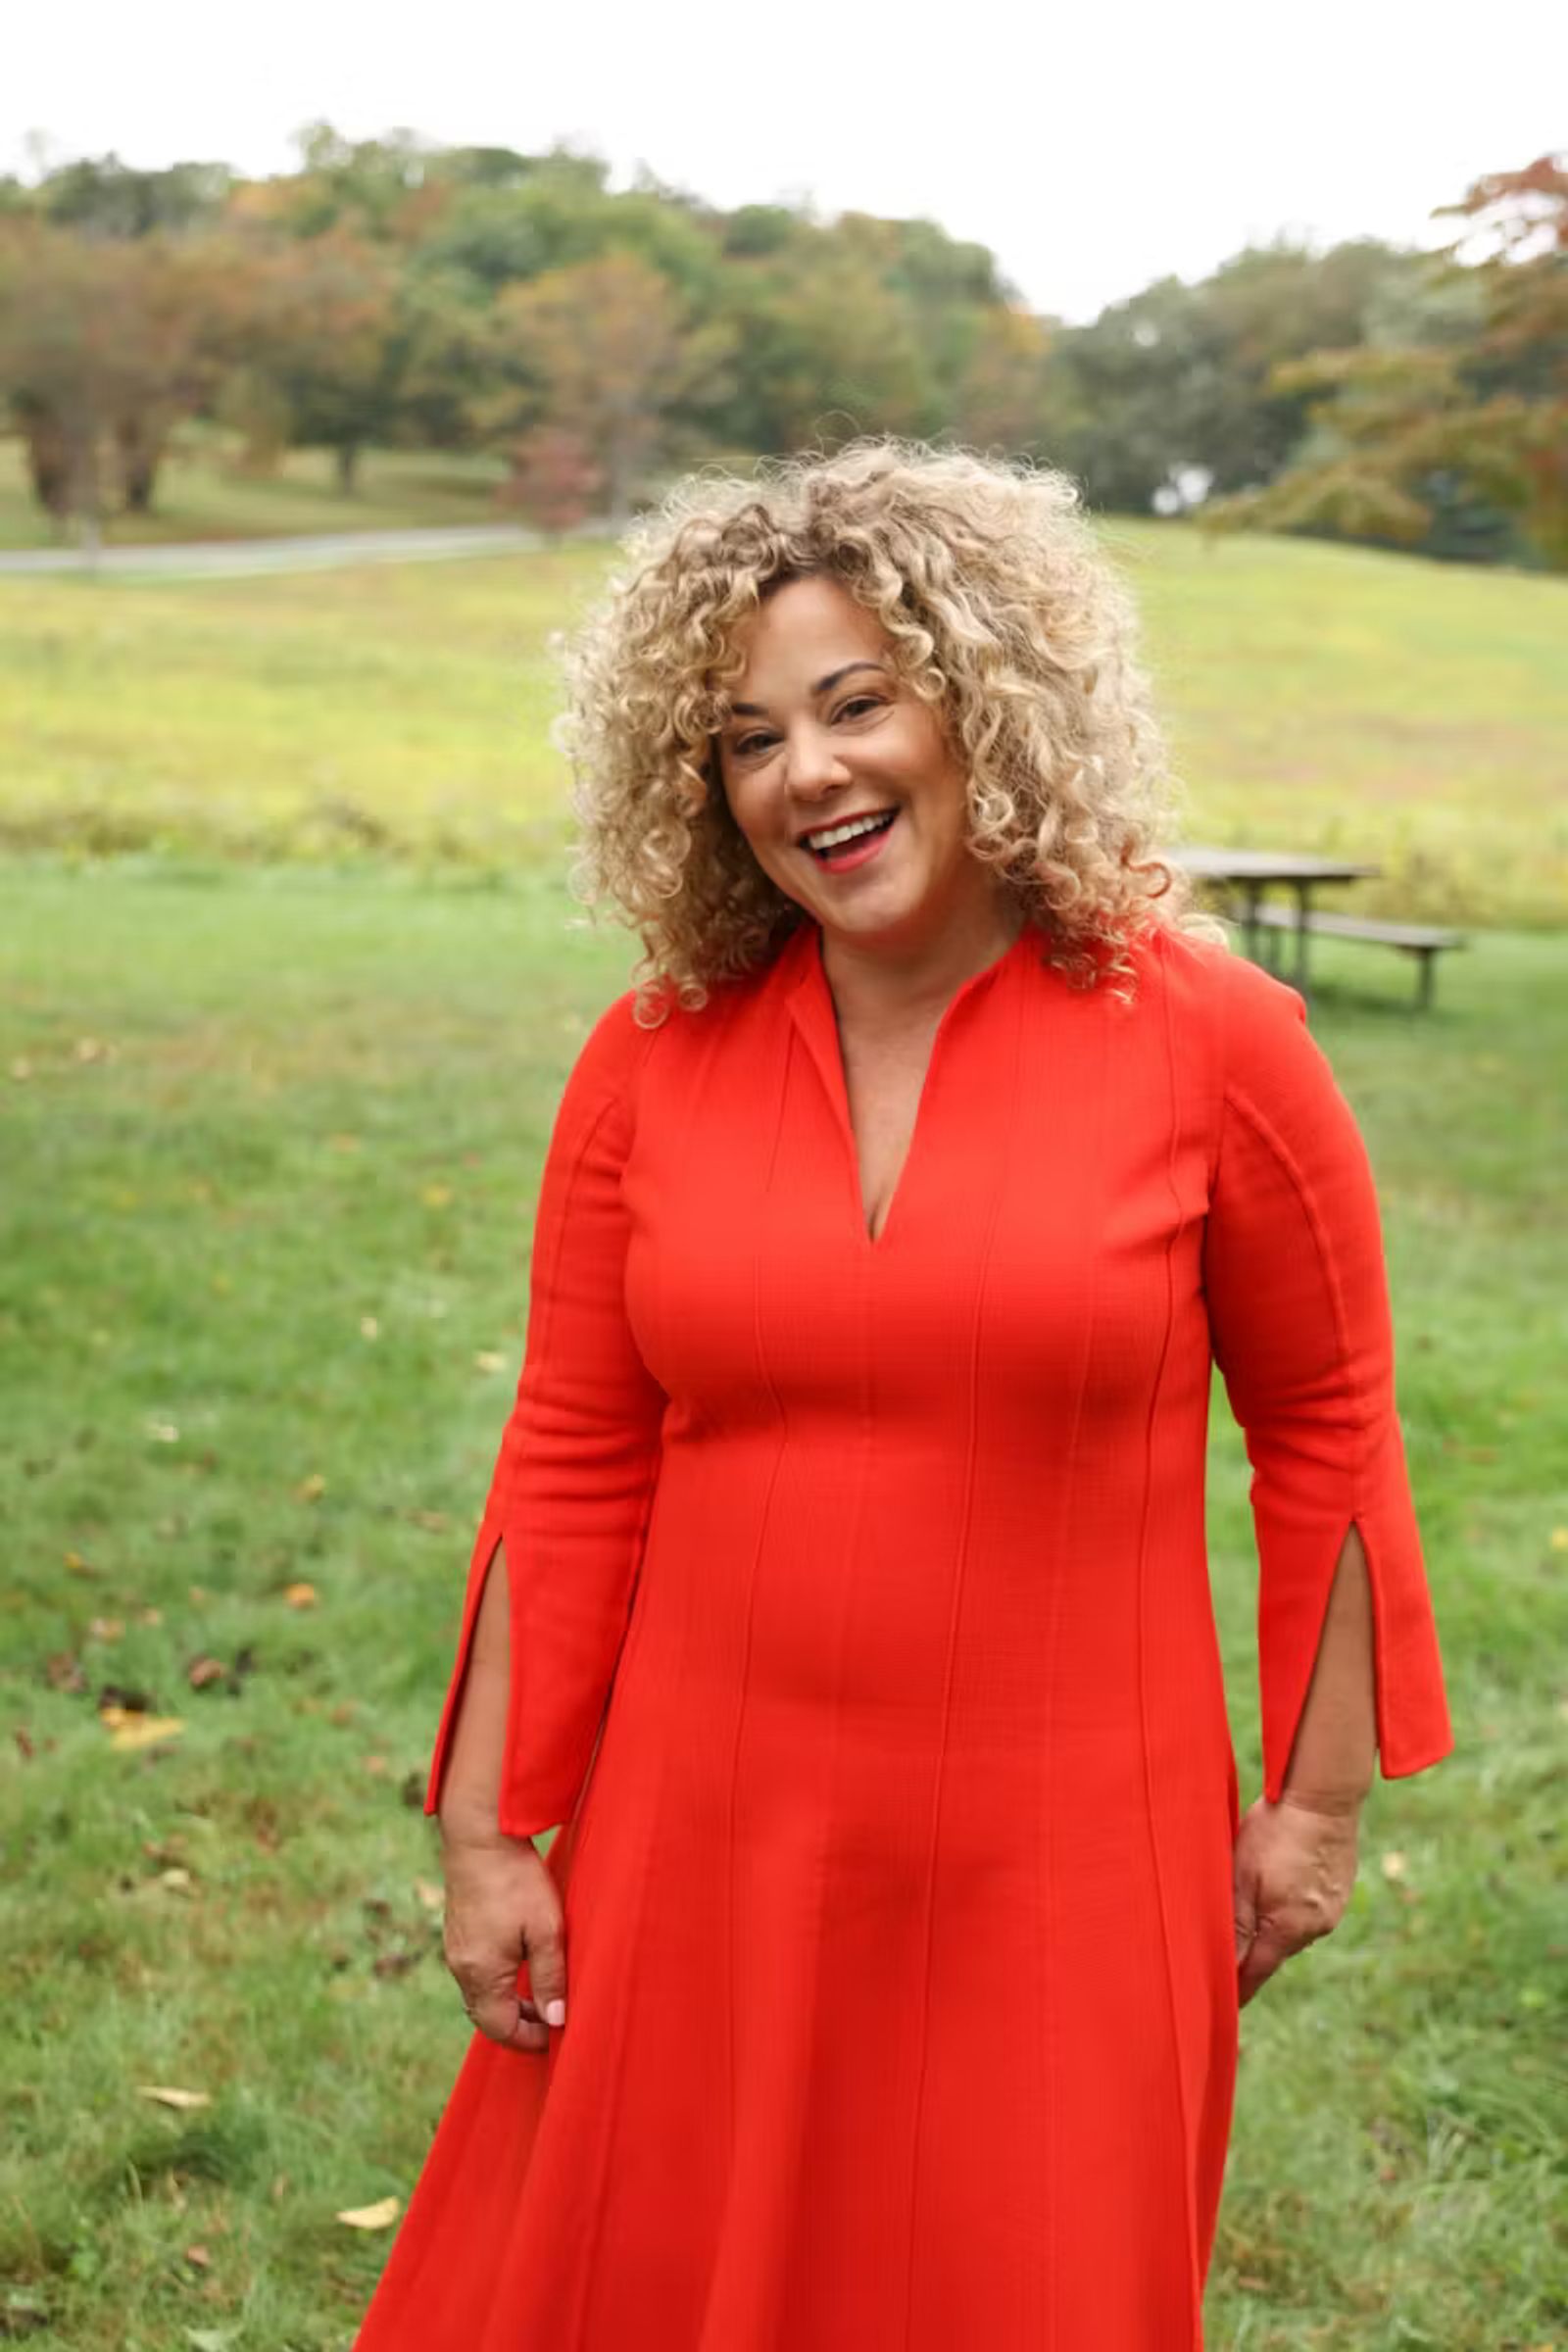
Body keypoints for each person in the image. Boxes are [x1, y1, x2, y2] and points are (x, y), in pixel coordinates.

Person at [355, 441, 1454, 2350]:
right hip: (700, 1838)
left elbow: (1328, 1432)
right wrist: (486, 1831)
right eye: (747, 738)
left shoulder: (1213, 1042)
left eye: (856, 703)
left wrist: (1315, 1805)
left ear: (981, 701)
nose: (808, 772)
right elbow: (572, 1457)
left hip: (1068, 1861)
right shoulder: (648, 1060)